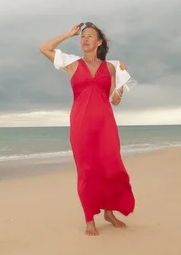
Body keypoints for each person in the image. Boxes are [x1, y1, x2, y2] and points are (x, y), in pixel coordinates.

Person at [39, 22, 136, 236]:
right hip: (81, 125)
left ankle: (109, 213)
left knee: (111, 168)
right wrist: (67, 34)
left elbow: (115, 101)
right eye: (82, 36)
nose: (85, 39)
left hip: (105, 125)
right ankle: (89, 219)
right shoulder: (71, 64)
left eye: (90, 36)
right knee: (87, 170)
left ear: (99, 42)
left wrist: (120, 80)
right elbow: (44, 48)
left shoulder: (111, 67)